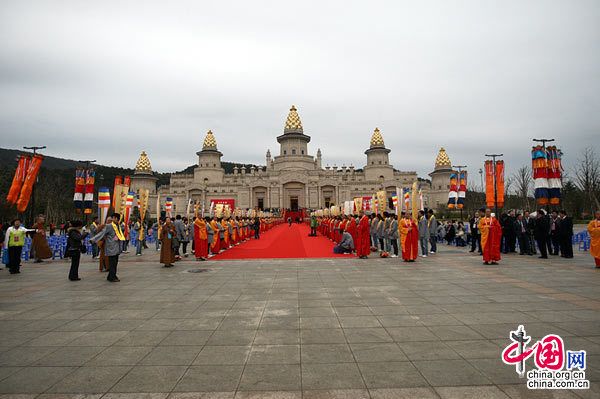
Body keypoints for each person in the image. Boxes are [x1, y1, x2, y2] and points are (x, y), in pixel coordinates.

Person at [90, 213, 125, 282]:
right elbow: (102, 233)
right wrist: (93, 240)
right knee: (112, 263)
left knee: (115, 262)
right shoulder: (109, 226)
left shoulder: (118, 226)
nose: (113, 219)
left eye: (115, 218)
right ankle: (112, 277)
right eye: (113, 218)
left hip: (117, 247)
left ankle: (111, 276)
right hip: (111, 247)